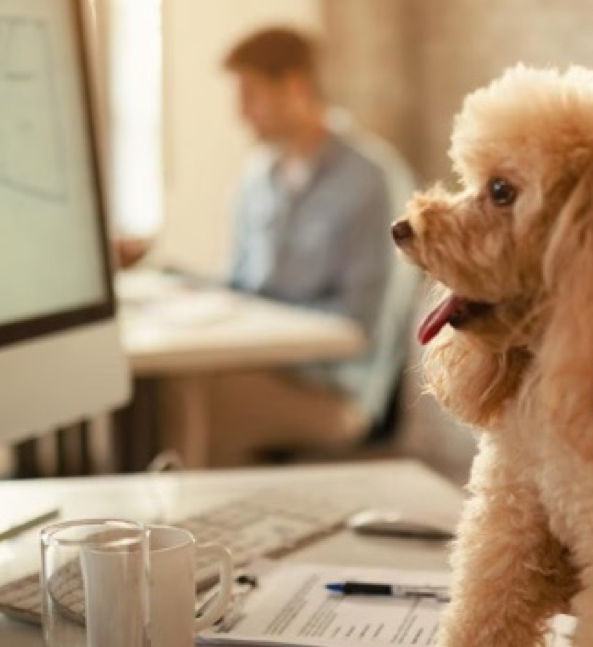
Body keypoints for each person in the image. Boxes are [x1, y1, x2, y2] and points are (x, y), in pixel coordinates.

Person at [167, 25, 414, 466]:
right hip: (258, 366)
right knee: (161, 391)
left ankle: (199, 532)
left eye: (250, 95)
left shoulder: (372, 181)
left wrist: (264, 340)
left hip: (336, 391)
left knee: (190, 411)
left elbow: (363, 325)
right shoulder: (256, 178)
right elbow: (240, 287)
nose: (241, 114)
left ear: (296, 88)